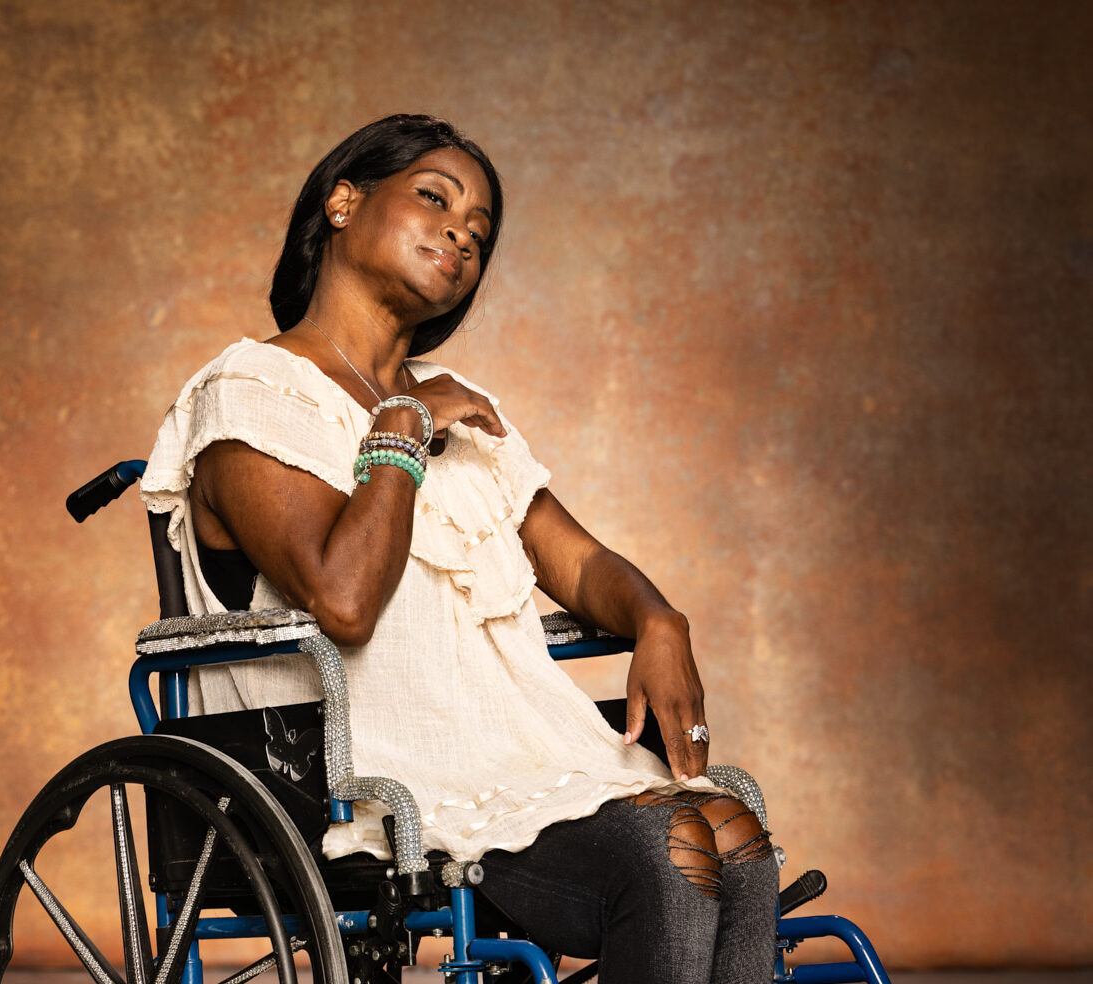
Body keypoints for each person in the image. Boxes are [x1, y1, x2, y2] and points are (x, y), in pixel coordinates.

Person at [141, 114, 777, 983]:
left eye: (479, 233)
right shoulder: (250, 393)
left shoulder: (465, 407)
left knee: (738, 839)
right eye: (434, 200)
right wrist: (401, 422)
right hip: (367, 776)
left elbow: (580, 563)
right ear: (341, 201)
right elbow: (345, 601)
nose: (460, 235)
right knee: (669, 854)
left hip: (521, 743)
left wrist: (660, 620)